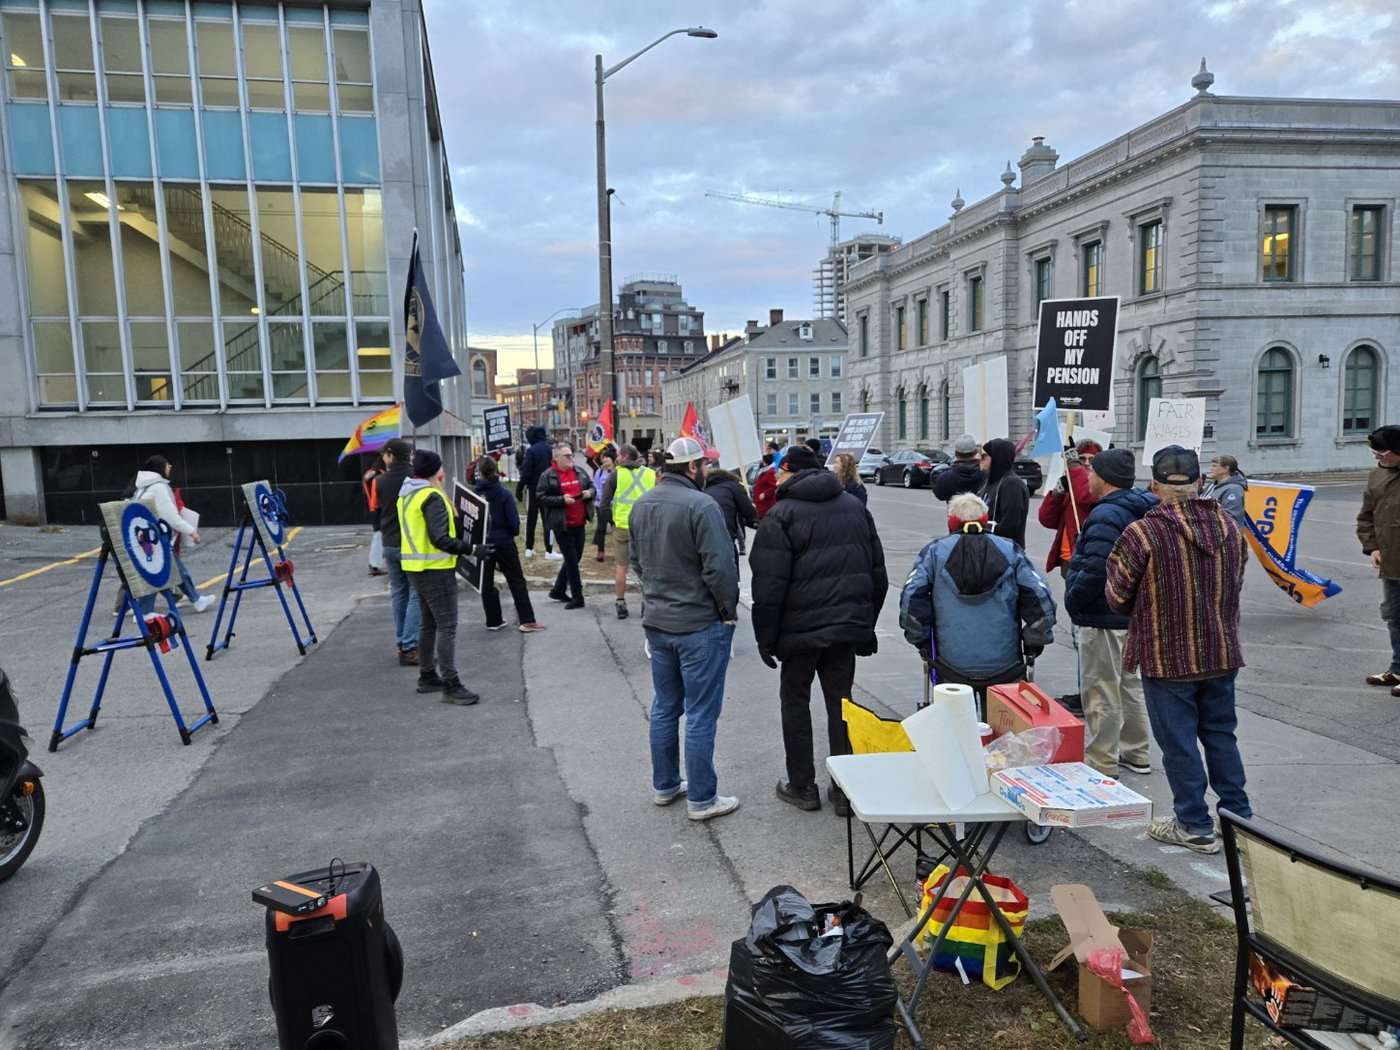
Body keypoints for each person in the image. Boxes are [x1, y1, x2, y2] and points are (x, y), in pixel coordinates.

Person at [1106, 445, 1250, 854]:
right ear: (1200, 482)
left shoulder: (1142, 533)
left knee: (1180, 743)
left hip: (1167, 656)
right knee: (1221, 735)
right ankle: (1238, 821)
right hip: (1220, 650)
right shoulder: (1228, 526)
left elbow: (1116, 594)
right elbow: (1236, 581)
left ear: (1153, 486)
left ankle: (1194, 824)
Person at [750, 443, 886, 815]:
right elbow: (878, 574)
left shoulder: (781, 515)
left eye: (781, 470)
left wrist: (766, 638)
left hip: (799, 633)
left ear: (791, 472)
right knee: (841, 705)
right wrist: (865, 624)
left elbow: (767, 585)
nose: (776, 476)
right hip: (844, 630)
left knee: (795, 703)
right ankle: (843, 789)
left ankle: (802, 785)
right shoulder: (855, 508)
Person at [629, 436, 741, 822]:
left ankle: (665, 785)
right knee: (699, 713)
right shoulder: (701, 505)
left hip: (658, 621)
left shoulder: (643, 503)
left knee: (664, 707)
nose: (707, 470)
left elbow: (636, 562)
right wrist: (727, 611)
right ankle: (702, 799)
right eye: (704, 465)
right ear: (692, 468)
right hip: (698, 623)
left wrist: (658, 595)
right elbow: (720, 568)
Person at [900, 492, 1055, 693]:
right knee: (1004, 721)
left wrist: (919, 638)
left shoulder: (934, 553)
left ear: (952, 522)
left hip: (949, 665)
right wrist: (1035, 639)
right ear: (985, 520)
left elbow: (911, 597)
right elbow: (1040, 596)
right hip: (1006, 665)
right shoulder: (1011, 551)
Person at [1062, 448, 1156, 778]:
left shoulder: (1106, 515)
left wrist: (1074, 598)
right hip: (1132, 613)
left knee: (1102, 688)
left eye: (1092, 472)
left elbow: (1097, 566)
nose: (1088, 477)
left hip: (1103, 613)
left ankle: (1102, 760)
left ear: (1105, 479)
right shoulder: (1141, 508)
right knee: (1130, 685)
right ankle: (1137, 751)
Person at [395, 450, 484, 704]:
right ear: (436, 471)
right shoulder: (432, 496)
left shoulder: (408, 494)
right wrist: (473, 550)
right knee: (447, 626)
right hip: (435, 570)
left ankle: (427, 676)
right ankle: (451, 684)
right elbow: (440, 538)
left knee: (429, 623)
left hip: (416, 569)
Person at [129, 455, 214, 614]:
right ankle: (144, 612)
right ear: (160, 468)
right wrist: (191, 531)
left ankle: (196, 599)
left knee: (176, 571)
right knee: (157, 573)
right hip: (155, 538)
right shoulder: (159, 488)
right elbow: (171, 516)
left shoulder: (143, 487)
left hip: (147, 536)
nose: (170, 467)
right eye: (167, 465)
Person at [473, 456, 545, 634]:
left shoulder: (474, 495)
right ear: (496, 470)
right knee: (516, 581)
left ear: (480, 473)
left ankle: (493, 619)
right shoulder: (504, 493)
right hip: (504, 541)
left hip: (483, 543)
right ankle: (527, 620)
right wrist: (511, 534)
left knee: (486, 583)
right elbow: (514, 523)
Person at [1359, 424, 1400, 695]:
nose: (1377, 458)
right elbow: (1366, 517)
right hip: (1392, 565)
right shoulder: (1377, 476)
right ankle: (1397, 669)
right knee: (1394, 617)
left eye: (1382, 453)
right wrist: (1372, 547)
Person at [375, 438, 422, 666]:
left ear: (391, 455)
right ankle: (410, 644)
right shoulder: (416, 479)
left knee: (398, 593)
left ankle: (402, 641)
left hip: (390, 542)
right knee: (416, 593)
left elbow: (374, 509)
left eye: (384, 455)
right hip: (412, 544)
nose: (382, 458)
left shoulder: (380, 481)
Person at [598, 444, 655, 620]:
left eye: (618, 456)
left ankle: (621, 603)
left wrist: (610, 522)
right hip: (645, 525)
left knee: (622, 566)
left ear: (624, 456)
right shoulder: (650, 473)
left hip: (622, 525)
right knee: (647, 566)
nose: (616, 459)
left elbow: (605, 503)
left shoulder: (616, 474)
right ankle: (647, 602)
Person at [537, 444, 594, 610]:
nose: (571, 458)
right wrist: (561, 500)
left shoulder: (579, 471)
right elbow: (540, 497)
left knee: (575, 558)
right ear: (557, 458)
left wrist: (589, 493)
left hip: (580, 522)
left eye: (571, 455)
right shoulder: (548, 476)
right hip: (562, 524)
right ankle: (578, 597)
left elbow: (591, 486)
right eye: (567, 456)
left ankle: (558, 589)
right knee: (571, 561)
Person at [1039, 439, 1101, 574]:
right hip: (1067, 559)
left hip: (1087, 558)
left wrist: (1073, 464)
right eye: (1082, 459)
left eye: (1092, 460)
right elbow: (1046, 519)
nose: (1086, 463)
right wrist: (1057, 493)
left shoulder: (1100, 489)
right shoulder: (1073, 488)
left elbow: (1085, 496)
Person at [977, 437, 1030, 550]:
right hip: (986, 549)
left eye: (983, 457)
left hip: (1006, 553)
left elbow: (1010, 525)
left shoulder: (1012, 485)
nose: (979, 459)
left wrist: (979, 526)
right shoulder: (988, 482)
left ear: (997, 459)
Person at [703, 460, 758, 568]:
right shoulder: (734, 486)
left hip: (706, 537)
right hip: (726, 536)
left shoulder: (705, 488)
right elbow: (749, 513)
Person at [519, 425, 557, 560]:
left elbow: (526, 472)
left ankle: (529, 548)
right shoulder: (549, 449)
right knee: (548, 520)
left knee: (531, 519)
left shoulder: (531, 451)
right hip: (548, 490)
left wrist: (520, 487)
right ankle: (549, 550)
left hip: (533, 490)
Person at [932, 434, 986, 502]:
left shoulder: (945, 477)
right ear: (975, 452)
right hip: (982, 512)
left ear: (956, 453)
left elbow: (940, 495)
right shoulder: (987, 475)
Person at [1203, 454, 1248, 526]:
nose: (1210, 469)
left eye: (1214, 466)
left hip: (1225, 533)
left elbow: (1231, 517)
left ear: (1226, 468)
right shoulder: (1212, 485)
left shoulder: (1233, 489)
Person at [363, 455, 387, 577]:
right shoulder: (380, 476)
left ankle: (375, 564)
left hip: (374, 508)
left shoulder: (370, 474)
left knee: (378, 535)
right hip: (379, 508)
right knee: (379, 536)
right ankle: (375, 565)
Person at [592, 452, 615, 561]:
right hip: (601, 505)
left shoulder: (617, 472)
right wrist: (603, 498)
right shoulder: (599, 472)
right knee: (601, 528)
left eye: (607, 457)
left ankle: (619, 551)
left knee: (616, 528)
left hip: (614, 505)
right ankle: (600, 551)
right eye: (603, 457)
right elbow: (596, 487)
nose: (605, 459)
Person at [752, 452, 779, 520]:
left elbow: (775, 486)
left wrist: (765, 494)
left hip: (767, 506)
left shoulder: (770, 472)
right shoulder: (763, 471)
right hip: (761, 505)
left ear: (765, 462)